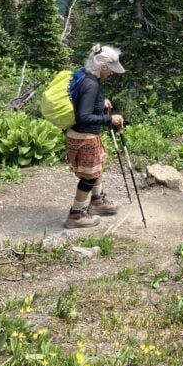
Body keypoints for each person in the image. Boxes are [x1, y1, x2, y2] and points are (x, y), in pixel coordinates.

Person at [64, 44, 126, 229]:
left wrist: (100, 102)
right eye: (111, 69)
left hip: (84, 135)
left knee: (96, 168)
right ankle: (75, 215)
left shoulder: (84, 74)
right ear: (102, 66)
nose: (112, 73)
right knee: (89, 177)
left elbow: (81, 100)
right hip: (83, 137)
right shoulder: (91, 84)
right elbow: (83, 116)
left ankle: (97, 202)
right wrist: (110, 119)